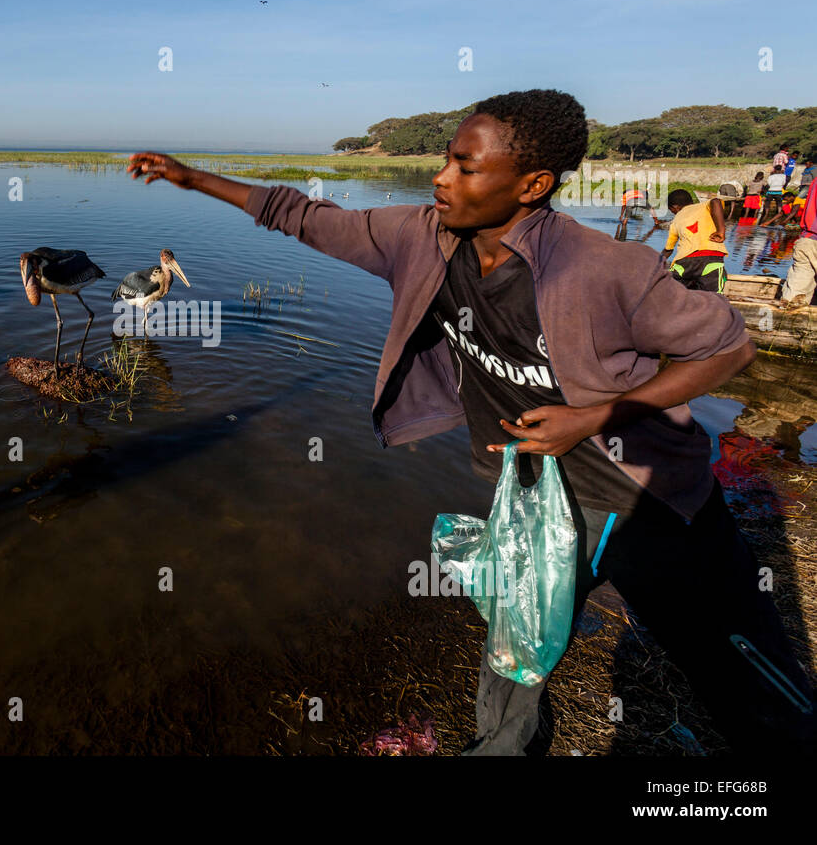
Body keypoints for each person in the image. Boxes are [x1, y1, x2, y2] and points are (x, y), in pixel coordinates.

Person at [127, 88, 816, 755]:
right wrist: (189, 178)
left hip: (641, 498)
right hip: (529, 493)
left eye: (465, 165)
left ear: (532, 184)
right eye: (446, 159)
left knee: (742, 674)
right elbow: (301, 214)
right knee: (515, 649)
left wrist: (592, 417)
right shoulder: (420, 240)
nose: (440, 177)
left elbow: (729, 346)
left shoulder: (605, 267)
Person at [662, 190, 728, 291]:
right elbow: (715, 202)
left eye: (672, 210)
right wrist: (721, 231)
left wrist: (655, 263)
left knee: (673, 293)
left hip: (684, 263)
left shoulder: (675, 220)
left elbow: (668, 250)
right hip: (711, 259)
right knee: (715, 298)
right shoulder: (704, 206)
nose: (673, 213)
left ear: (675, 207)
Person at [779, 184, 817, 311]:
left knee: (796, 291)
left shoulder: (815, 181)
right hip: (810, 240)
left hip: (809, 239)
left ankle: (785, 317)